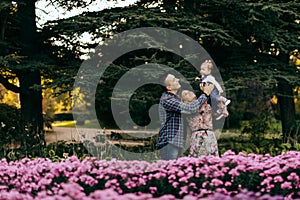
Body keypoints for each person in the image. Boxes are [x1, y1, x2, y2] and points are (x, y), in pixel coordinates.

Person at [158, 74, 214, 160]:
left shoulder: (176, 99)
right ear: (168, 87)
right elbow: (191, 108)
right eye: (173, 79)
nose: (177, 79)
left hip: (176, 142)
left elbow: (192, 105)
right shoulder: (167, 99)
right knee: (169, 170)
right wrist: (205, 94)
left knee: (175, 171)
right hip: (169, 142)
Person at [181, 90, 219, 157]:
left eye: (189, 91)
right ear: (183, 100)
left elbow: (216, 114)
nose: (189, 93)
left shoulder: (205, 105)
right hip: (197, 135)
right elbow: (195, 108)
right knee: (198, 159)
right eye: (185, 94)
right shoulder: (186, 108)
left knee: (213, 159)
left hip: (210, 134)